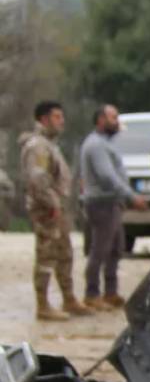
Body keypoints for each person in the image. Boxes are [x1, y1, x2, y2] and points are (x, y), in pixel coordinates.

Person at [78, 104, 148, 309]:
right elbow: (107, 176)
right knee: (100, 249)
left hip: (112, 203)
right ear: (100, 120)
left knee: (115, 249)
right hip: (101, 204)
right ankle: (91, 293)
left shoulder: (106, 143)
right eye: (113, 117)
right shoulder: (96, 145)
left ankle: (110, 292)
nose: (116, 121)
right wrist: (131, 197)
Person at [20, 100, 84, 320]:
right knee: (46, 257)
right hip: (47, 210)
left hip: (58, 208)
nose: (62, 121)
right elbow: (37, 179)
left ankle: (69, 298)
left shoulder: (50, 144)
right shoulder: (38, 146)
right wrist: (52, 203)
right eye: (57, 117)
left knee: (64, 253)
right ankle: (43, 304)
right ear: (44, 119)